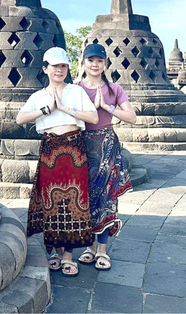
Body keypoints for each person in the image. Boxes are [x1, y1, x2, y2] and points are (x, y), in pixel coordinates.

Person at [16, 46, 99, 276]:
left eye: (63, 66)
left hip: (74, 147)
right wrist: (45, 109)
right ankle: (55, 251)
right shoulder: (39, 96)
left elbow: (92, 116)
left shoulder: (76, 92)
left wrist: (65, 108)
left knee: (75, 200)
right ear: (45, 69)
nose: (59, 70)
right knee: (52, 200)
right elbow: (20, 118)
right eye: (54, 66)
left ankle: (69, 255)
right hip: (51, 149)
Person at [74, 43, 136, 270]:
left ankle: (102, 249)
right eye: (91, 60)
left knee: (107, 196)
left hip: (106, 144)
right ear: (84, 62)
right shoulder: (76, 88)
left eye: (99, 61)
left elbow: (131, 117)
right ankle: (89, 247)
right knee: (86, 196)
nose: (95, 64)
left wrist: (106, 107)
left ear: (105, 64)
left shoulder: (114, 89)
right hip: (82, 144)